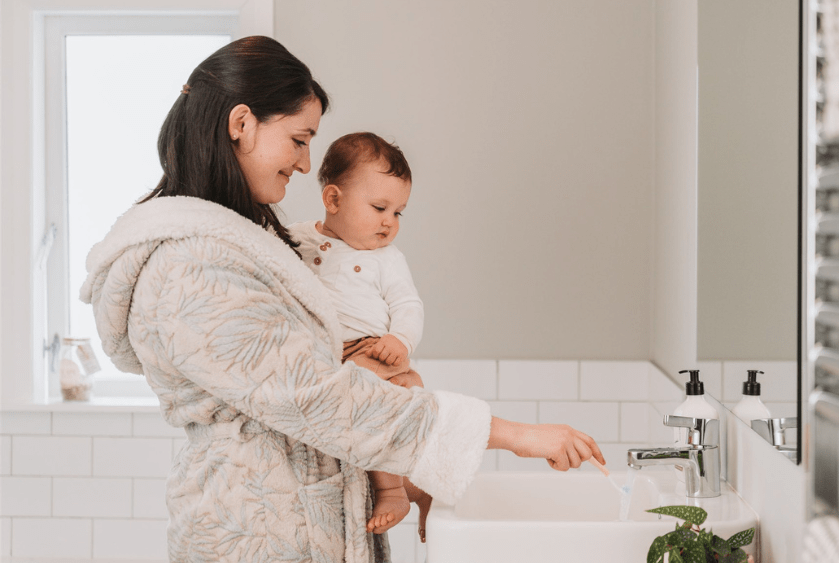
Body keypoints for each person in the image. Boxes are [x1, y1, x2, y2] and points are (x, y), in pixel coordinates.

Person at [80, 35, 604, 563]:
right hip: (258, 539)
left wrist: (409, 472)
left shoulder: (240, 244)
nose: (307, 164)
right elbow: (317, 396)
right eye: (299, 139)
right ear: (241, 124)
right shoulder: (191, 265)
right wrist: (515, 435)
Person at [286, 132, 429, 538]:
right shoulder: (296, 240)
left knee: (391, 407)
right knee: (373, 415)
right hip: (333, 361)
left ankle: (394, 490)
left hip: (375, 354)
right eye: (380, 207)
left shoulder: (387, 259)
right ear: (333, 200)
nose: (390, 221)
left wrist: (400, 340)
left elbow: (408, 305)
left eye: (399, 212)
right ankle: (412, 485)